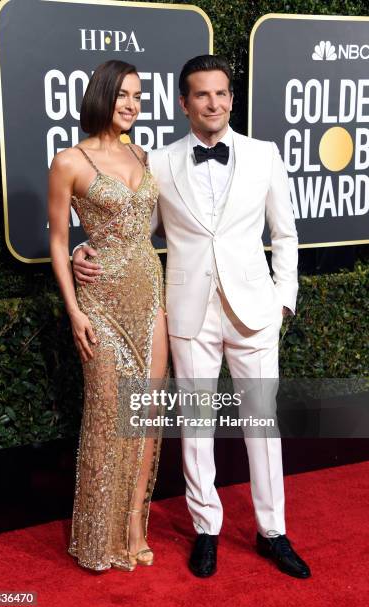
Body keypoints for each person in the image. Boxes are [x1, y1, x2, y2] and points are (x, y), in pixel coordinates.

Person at [72, 55, 311, 580]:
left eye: (222, 93)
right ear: (184, 103)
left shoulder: (263, 155)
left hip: (253, 313)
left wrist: (282, 302)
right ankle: (207, 530)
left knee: (261, 426)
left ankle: (273, 532)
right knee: (197, 428)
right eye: (202, 95)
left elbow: (286, 234)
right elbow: (133, 229)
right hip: (188, 312)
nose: (214, 103)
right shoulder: (159, 162)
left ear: (231, 97)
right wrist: (84, 250)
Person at [48, 59, 168, 572]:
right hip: (100, 302)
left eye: (138, 96)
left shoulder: (143, 153)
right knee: (106, 419)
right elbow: (57, 240)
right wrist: (74, 309)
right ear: (101, 95)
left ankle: (135, 527)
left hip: (150, 296)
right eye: (123, 95)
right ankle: (99, 536)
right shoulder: (69, 162)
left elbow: (149, 228)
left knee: (144, 417)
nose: (132, 104)